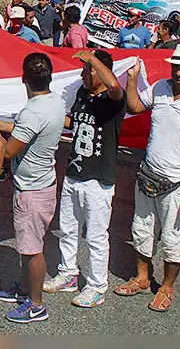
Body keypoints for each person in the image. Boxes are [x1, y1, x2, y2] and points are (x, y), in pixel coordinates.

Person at [117, 44, 180, 312]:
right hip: (149, 174)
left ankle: (167, 287)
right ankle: (142, 277)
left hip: (179, 184)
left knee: (173, 239)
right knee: (141, 230)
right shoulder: (160, 88)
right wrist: (131, 79)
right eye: (176, 67)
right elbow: (135, 106)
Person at [43, 49, 125, 309]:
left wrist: (92, 59)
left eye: (87, 70)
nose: (82, 74)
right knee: (68, 228)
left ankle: (97, 286)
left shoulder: (114, 99)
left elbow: (113, 84)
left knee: (96, 237)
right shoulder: (82, 93)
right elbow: (74, 121)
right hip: (74, 173)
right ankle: (68, 273)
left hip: (98, 179)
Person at [0, 53, 63, 324]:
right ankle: (25, 290)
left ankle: (36, 305)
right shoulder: (55, 102)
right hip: (44, 183)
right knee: (30, 245)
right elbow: (24, 130)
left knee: (31, 249)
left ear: (23, 78)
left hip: (31, 191)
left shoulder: (31, 112)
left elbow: (8, 150)